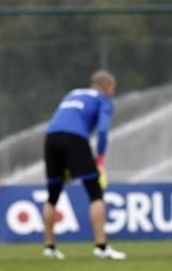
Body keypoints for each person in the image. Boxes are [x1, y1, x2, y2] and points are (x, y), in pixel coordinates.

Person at [42, 70, 127, 260]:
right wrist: (101, 158)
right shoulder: (103, 99)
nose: (113, 92)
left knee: (53, 194)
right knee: (95, 191)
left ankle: (49, 247)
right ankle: (101, 246)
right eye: (113, 88)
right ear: (106, 86)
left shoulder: (72, 93)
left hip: (51, 138)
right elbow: (103, 131)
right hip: (75, 139)